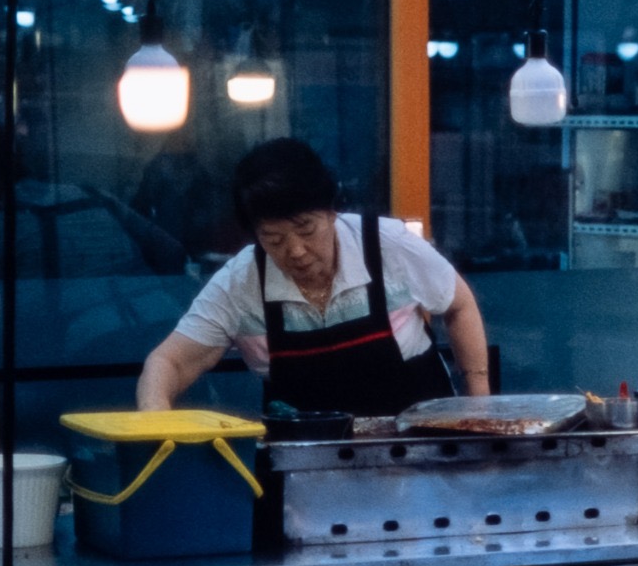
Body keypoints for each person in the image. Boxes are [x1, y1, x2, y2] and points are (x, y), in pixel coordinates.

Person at [138, 137, 491, 415]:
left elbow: (459, 305)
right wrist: (155, 422)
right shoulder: (241, 283)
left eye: (306, 229)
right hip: (304, 468)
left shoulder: (386, 245)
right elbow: (169, 361)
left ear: (332, 211)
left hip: (417, 450)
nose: (295, 251)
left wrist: (478, 406)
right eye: (273, 239)